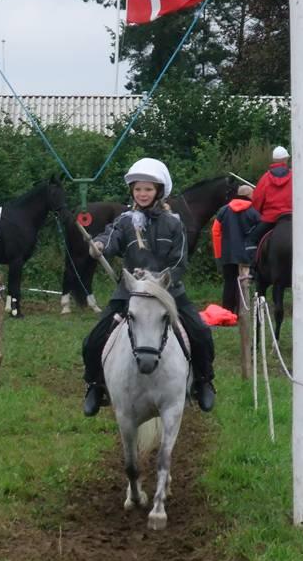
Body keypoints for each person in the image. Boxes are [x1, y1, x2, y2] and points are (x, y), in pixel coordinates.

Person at [81, 158, 217, 417]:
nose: (142, 194)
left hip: (169, 292)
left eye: (148, 189)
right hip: (130, 293)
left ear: (158, 191)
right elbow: (111, 236)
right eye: (138, 189)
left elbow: (179, 261)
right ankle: (95, 385)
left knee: (201, 333)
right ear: (132, 191)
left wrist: (160, 280)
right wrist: (99, 245)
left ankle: (203, 381)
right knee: (93, 340)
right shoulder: (125, 221)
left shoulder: (174, 223)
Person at [211, 184, 262, 313]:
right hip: (246, 255)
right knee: (244, 284)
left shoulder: (223, 210)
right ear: (249, 195)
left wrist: (219, 254)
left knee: (229, 283)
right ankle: (243, 311)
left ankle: (228, 312)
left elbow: (215, 231)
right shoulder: (253, 212)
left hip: (227, 254)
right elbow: (260, 232)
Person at [245, 146, 293, 264]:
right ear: (286, 159)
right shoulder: (295, 176)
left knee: (251, 240)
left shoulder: (265, 178)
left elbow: (257, 201)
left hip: (270, 219)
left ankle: (253, 269)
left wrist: (260, 212)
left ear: (273, 160)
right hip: (292, 217)